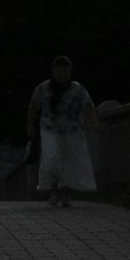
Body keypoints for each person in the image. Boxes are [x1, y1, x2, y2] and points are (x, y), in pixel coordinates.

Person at [29, 57, 96, 208]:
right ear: (53, 71)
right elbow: (33, 105)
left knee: (68, 161)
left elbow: (88, 106)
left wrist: (95, 123)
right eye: (58, 71)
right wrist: (30, 125)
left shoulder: (77, 89)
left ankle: (65, 192)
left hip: (71, 131)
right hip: (49, 129)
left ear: (70, 72)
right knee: (52, 158)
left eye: (64, 71)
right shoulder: (44, 88)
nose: (61, 74)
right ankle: (54, 190)